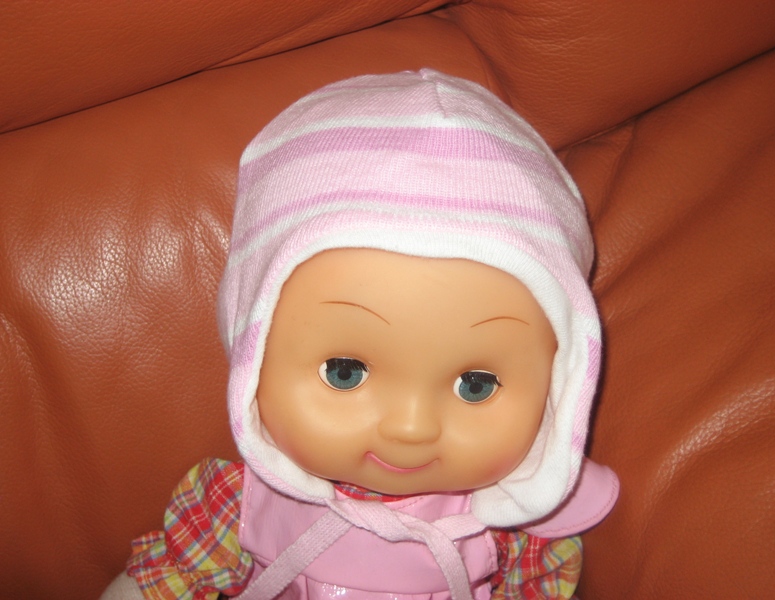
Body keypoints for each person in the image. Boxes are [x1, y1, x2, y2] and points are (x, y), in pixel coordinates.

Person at [102, 69, 618, 600]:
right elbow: (164, 579)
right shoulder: (239, 505)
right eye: (344, 372)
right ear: (252, 355)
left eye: (476, 385)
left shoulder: (517, 526)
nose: (411, 427)